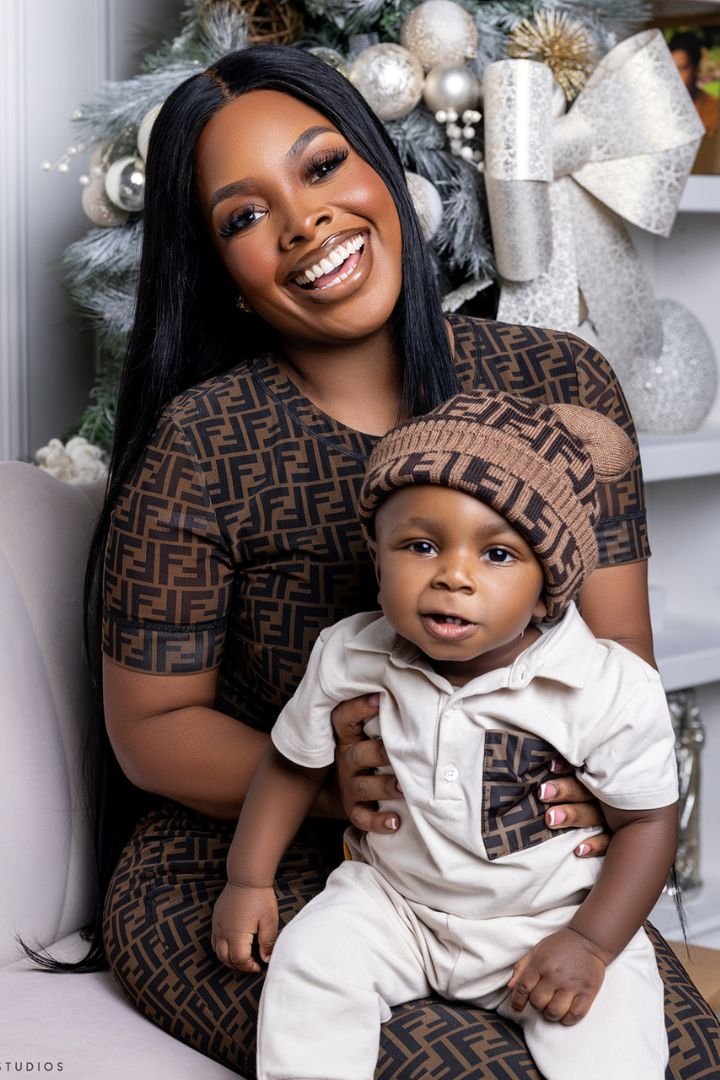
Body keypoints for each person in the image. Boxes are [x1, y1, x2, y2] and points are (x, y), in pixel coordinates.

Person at [85, 44, 719, 1079]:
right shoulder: (203, 441)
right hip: (253, 857)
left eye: (323, 166)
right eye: (244, 217)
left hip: (519, 871)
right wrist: (340, 782)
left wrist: (580, 801)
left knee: (675, 1057)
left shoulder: (556, 381)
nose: (304, 223)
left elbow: (620, 667)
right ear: (218, 268)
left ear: (384, 169)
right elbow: (149, 730)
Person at [214, 390, 679, 1080]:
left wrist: (590, 942)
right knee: (312, 964)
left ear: (548, 586)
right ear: (378, 561)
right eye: (422, 546)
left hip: (549, 915)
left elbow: (647, 822)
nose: (454, 576)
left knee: (611, 1040)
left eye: (498, 555)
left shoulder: (604, 686)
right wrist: (247, 879)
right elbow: (291, 765)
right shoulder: (350, 653)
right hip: (394, 904)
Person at [670, 31, 720, 175]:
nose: (676, 77)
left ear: (695, 69)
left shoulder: (714, 109)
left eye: (682, 68)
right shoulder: (657, 109)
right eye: (671, 68)